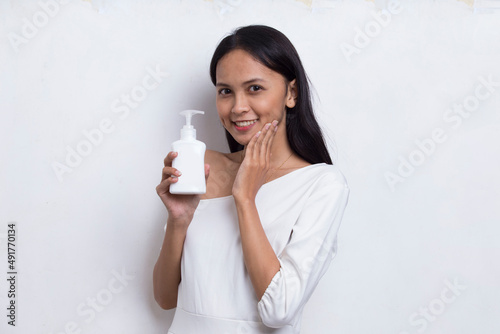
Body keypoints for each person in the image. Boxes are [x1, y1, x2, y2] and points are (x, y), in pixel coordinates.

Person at [153, 25, 349, 334]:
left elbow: (279, 311)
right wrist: (178, 219)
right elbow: (165, 298)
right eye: (225, 91)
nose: (237, 107)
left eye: (254, 88)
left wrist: (244, 198)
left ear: (291, 93)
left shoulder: (322, 185)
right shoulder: (202, 167)